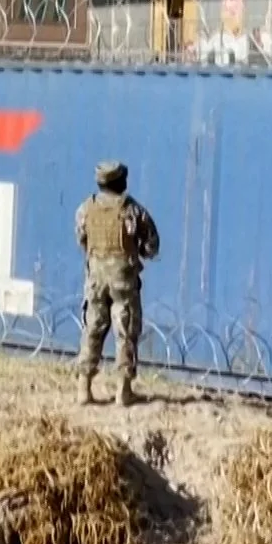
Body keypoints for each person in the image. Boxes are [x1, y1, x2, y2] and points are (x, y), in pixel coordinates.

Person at [74, 160, 161, 407]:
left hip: (96, 278)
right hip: (123, 278)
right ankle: (123, 390)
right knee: (126, 329)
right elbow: (152, 245)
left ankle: (84, 388)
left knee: (93, 327)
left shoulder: (85, 209)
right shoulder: (133, 210)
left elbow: (81, 238)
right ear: (121, 182)